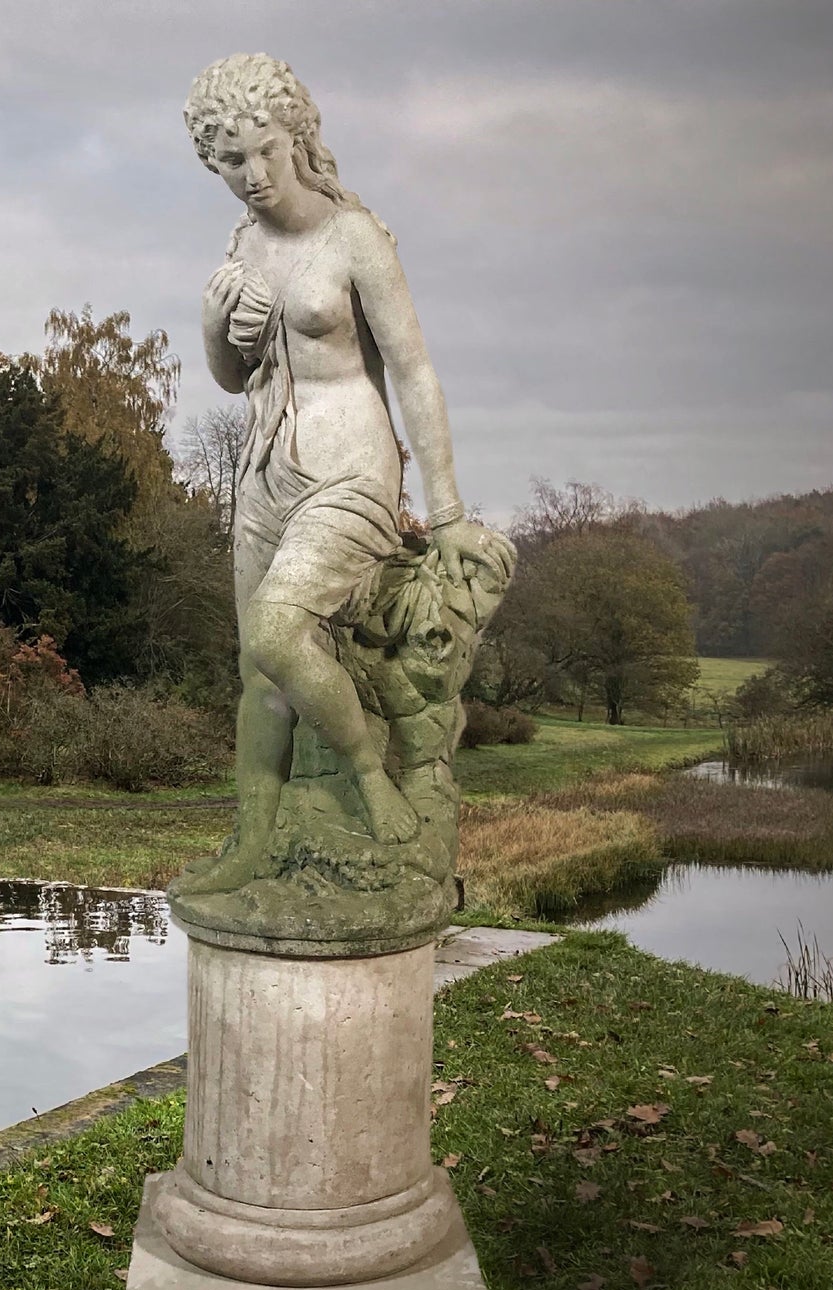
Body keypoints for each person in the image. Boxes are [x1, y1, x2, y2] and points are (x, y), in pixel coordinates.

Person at [180, 53, 515, 896]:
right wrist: (215, 324)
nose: (251, 176)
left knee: (275, 631)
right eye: (229, 161)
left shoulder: (351, 237)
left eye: (263, 151)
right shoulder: (241, 247)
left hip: (350, 471)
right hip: (263, 475)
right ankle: (252, 841)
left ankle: (370, 774)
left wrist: (444, 515)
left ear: (295, 138)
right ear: (209, 161)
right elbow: (229, 376)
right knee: (258, 672)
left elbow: (412, 372)